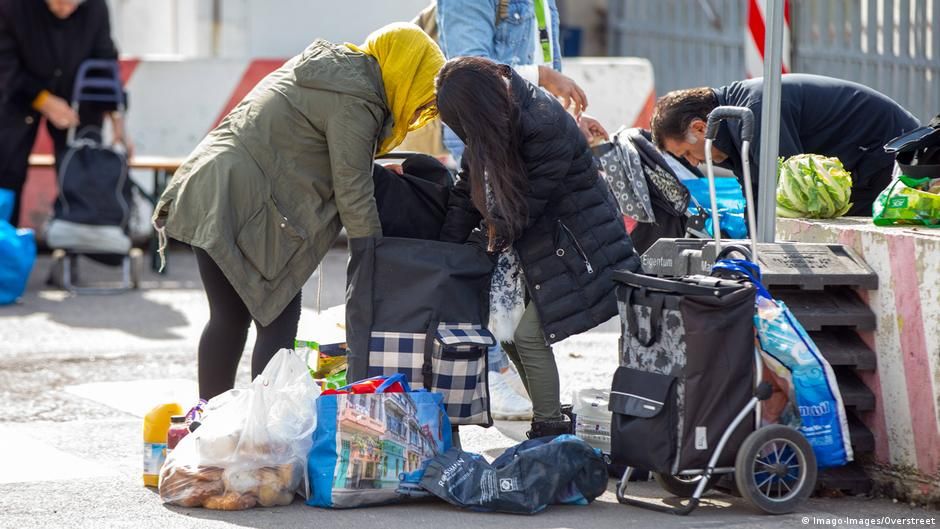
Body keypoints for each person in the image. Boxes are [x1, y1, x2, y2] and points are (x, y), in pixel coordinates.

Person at [152, 23, 445, 403]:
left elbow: (309, 146)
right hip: (240, 201)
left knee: (228, 317)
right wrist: (372, 257)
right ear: (404, 72)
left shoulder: (329, 70)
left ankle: (208, 428)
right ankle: (268, 436)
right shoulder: (358, 99)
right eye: (420, 95)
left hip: (208, 185)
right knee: (276, 319)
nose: (419, 110)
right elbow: (352, 191)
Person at [436, 56, 640, 437]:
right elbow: (467, 192)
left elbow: (528, 205)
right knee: (508, 329)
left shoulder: (543, 122)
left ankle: (548, 429)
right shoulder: (493, 122)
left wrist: (486, 237)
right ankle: (552, 415)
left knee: (528, 334)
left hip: (579, 244)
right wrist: (445, 251)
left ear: (479, 108)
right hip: (537, 243)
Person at [650, 74, 920, 216]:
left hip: (893, 152)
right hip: (866, 160)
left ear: (700, 127)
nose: (694, 162)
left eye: (686, 153)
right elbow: (757, 199)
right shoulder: (733, 120)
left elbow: (789, 195)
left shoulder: (755, 110)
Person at [0, 0, 130, 227]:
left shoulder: (95, 8)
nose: (65, 8)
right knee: (6, 169)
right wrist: (43, 100)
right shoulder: (12, 7)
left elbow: (105, 59)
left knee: (82, 166)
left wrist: (117, 119)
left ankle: (77, 242)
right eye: (59, 1)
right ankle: (4, 245)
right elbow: (4, 63)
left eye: (73, 3)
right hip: (16, 94)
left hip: (78, 101)